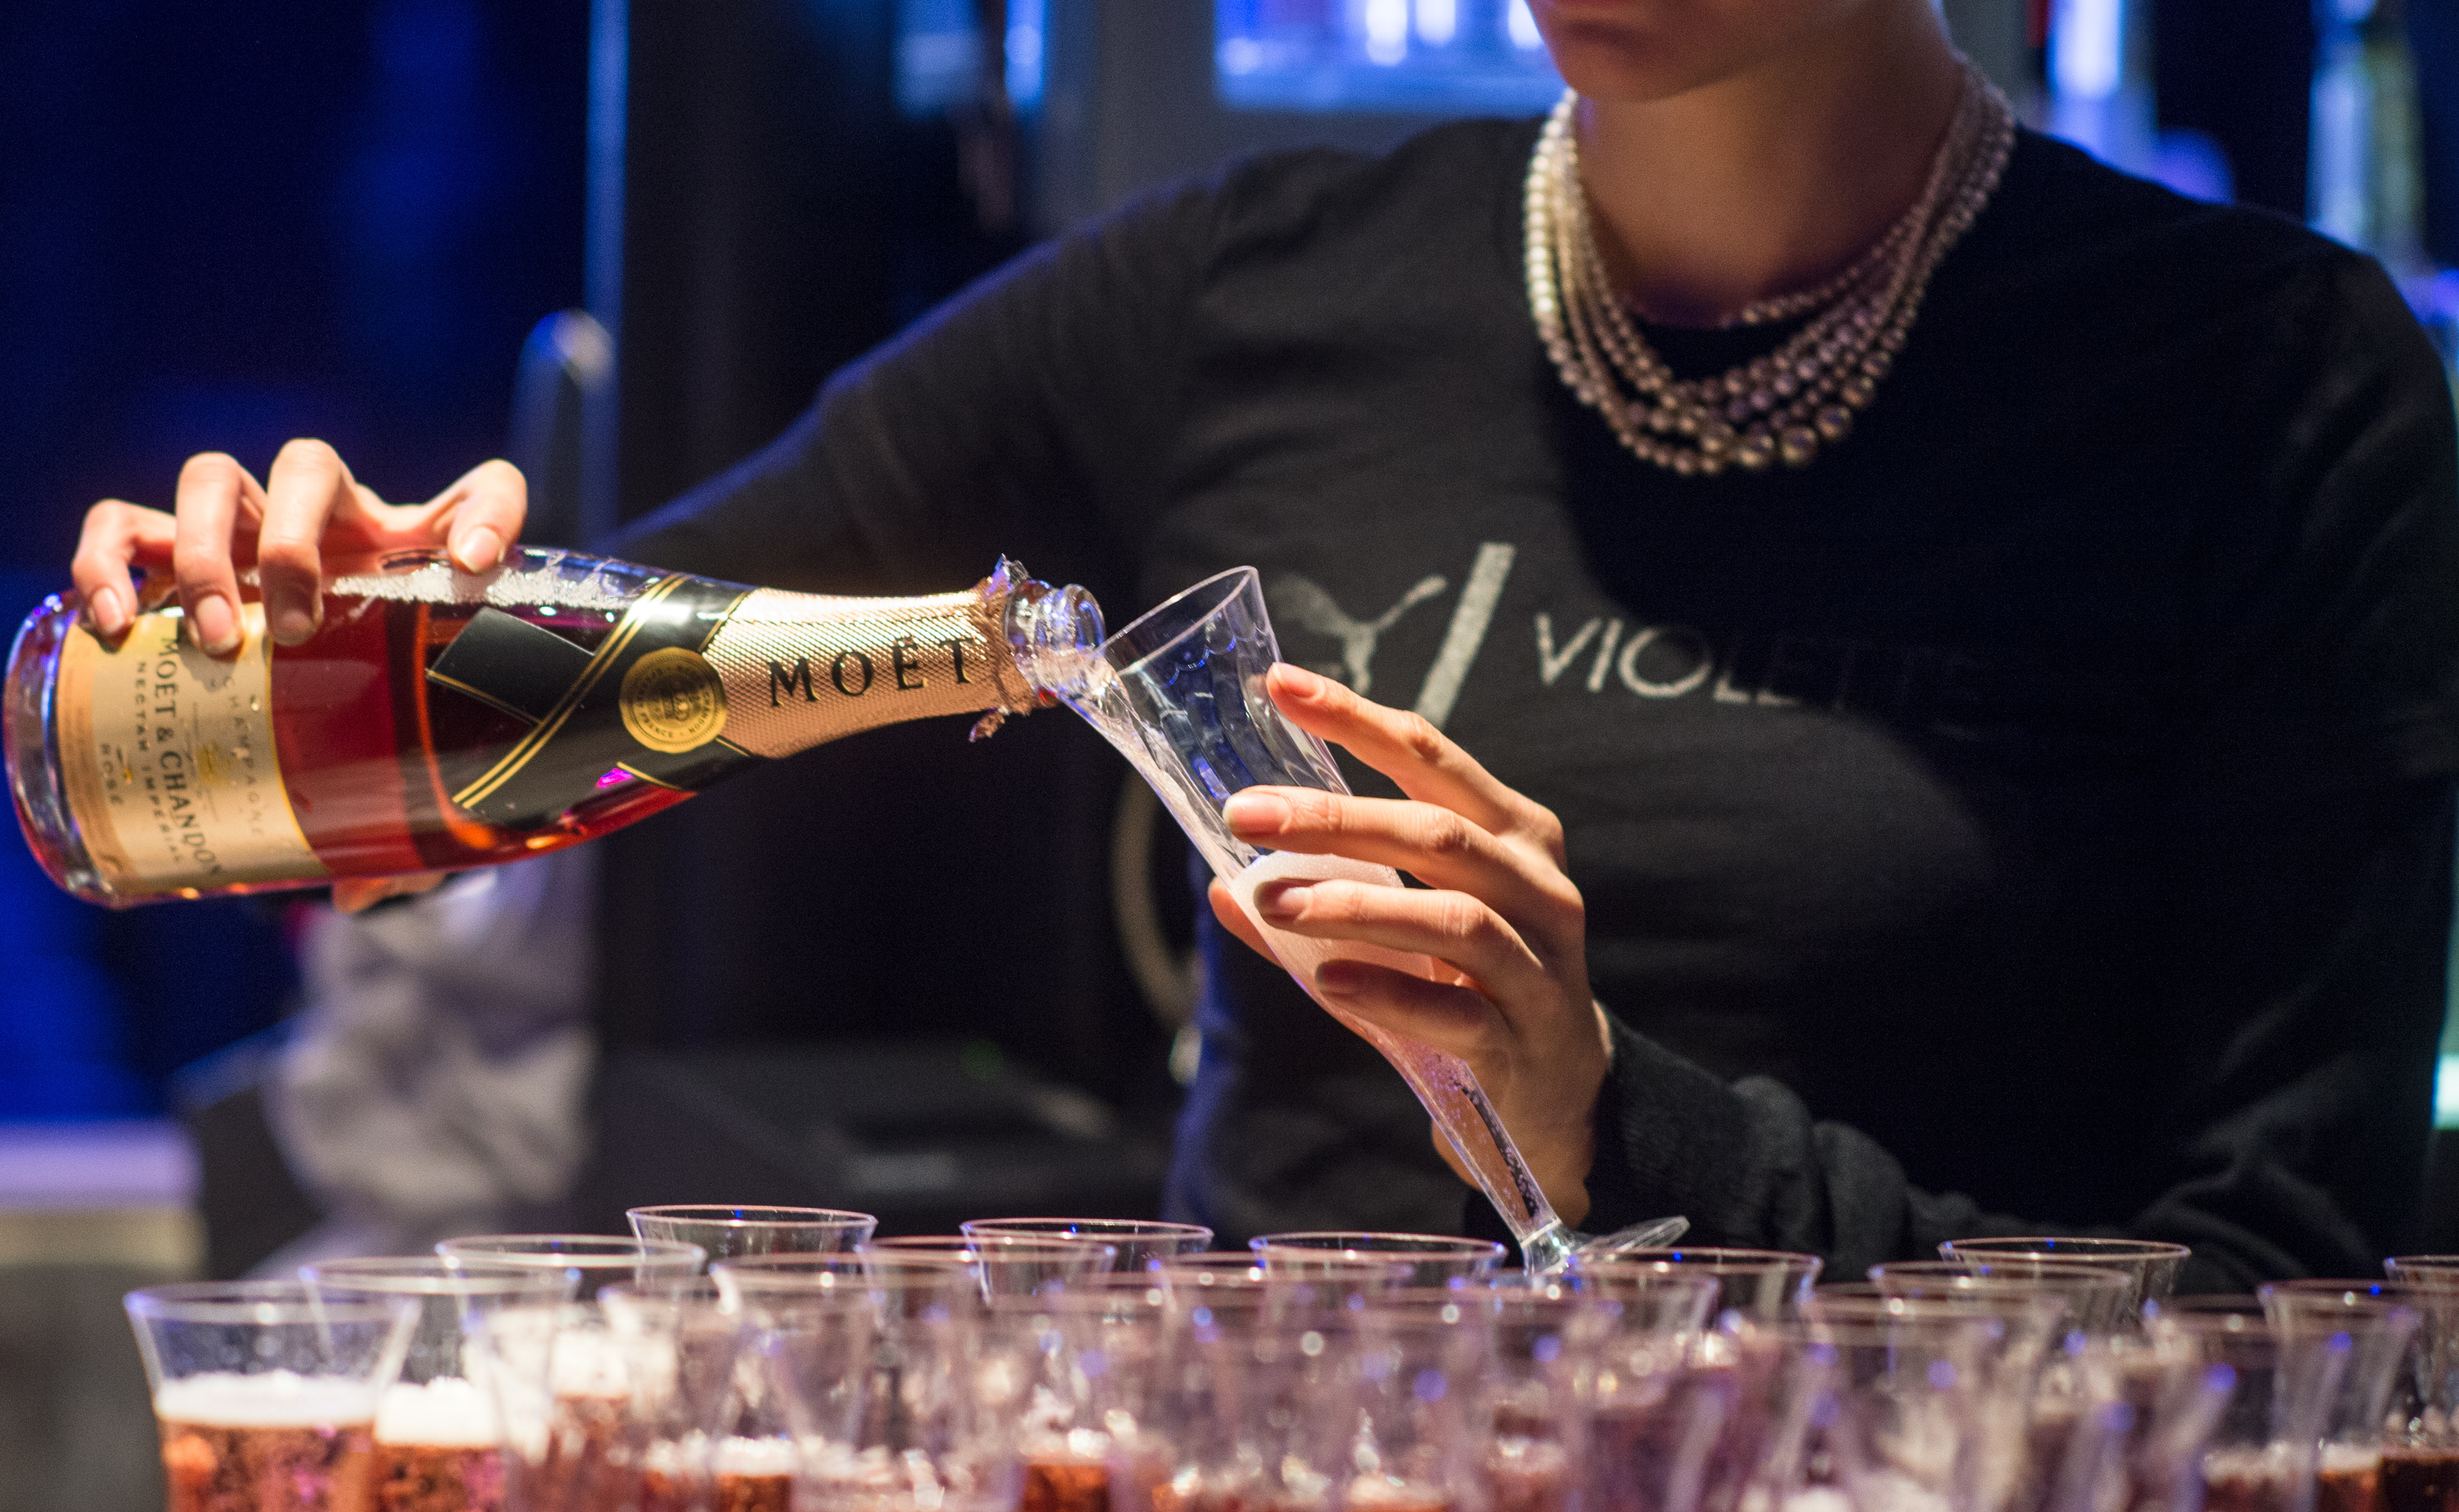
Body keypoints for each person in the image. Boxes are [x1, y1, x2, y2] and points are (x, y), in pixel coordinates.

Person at [70, 0, 2459, 1287]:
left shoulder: (2266, 386)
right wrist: (305, 622)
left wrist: (1611, 1126)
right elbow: (517, 728)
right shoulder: (1241, 291)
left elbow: (2280, 1318)